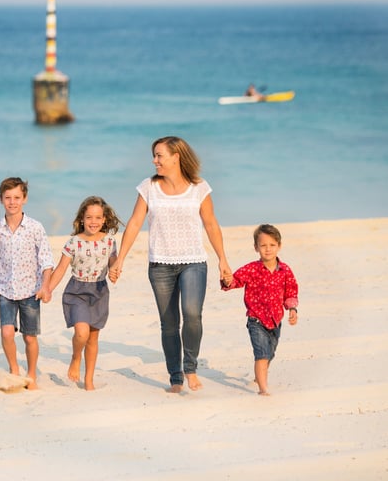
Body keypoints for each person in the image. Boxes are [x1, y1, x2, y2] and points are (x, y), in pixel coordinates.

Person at [109, 136, 232, 393]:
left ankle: (190, 367)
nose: (155, 161)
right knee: (168, 322)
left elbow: (211, 224)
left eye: (159, 155)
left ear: (176, 156)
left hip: (194, 261)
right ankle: (175, 377)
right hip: (160, 264)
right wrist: (120, 258)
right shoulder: (148, 187)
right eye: (154, 156)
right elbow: (134, 223)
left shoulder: (199, 187)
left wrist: (222, 259)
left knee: (192, 314)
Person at [0, 177, 54, 390]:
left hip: (31, 291)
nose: (12, 202)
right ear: (1, 200)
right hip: (6, 290)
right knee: (7, 333)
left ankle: (31, 374)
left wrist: (45, 286)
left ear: (24, 199)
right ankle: (14, 370)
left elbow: (47, 260)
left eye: (17, 197)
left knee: (30, 337)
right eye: (8, 198)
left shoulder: (35, 227)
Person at [46, 196, 122, 391]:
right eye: (89, 217)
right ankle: (75, 357)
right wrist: (47, 289)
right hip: (77, 291)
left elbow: (113, 262)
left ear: (104, 219)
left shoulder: (109, 242)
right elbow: (61, 268)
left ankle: (89, 379)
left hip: (99, 291)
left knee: (93, 338)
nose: (93, 222)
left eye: (98, 218)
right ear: (81, 219)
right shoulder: (73, 242)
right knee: (82, 333)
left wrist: (114, 270)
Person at [221, 224, 299, 396]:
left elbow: (291, 291)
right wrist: (228, 280)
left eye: (272, 245)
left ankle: (259, 375)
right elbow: (235, 281)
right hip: (256, 320)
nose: (268, 249)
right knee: (262, 354)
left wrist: (292, 310)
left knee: (270, 353)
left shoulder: (285, 271)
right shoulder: (251, 269)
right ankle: (263, 389)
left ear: (279, 246)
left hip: (276, 320)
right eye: (263, 245)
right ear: (256, 247)